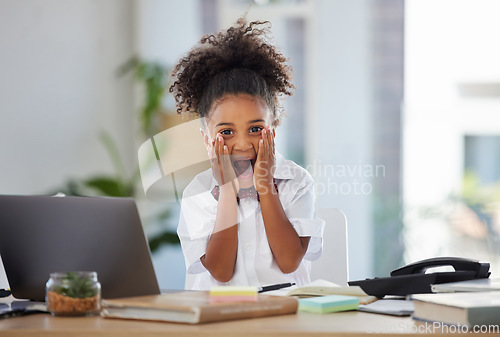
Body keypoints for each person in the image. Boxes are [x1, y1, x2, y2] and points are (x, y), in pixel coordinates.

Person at [170, 18, 324, 290]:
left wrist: (265, 186)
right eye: (227, 132)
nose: (242, 144)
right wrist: (227, 191)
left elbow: (289, 262)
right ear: (207, 140)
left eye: (255, 128)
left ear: (273, 131)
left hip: (283, 321)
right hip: (220, 322)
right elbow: (220, 272)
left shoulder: (297, 183)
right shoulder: (198, 193)